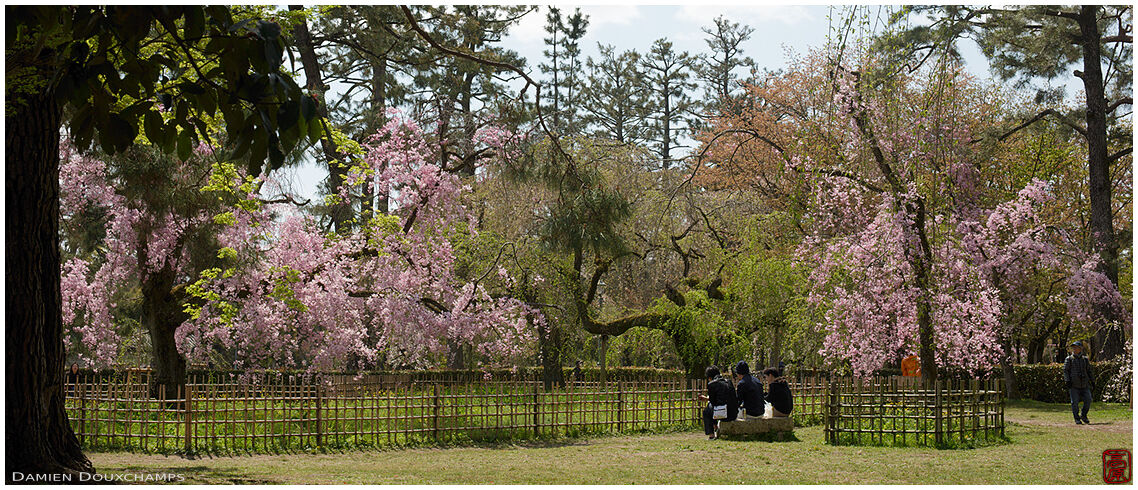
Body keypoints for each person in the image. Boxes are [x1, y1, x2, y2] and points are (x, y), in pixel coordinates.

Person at [697, 365, 737, 439]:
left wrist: (707, 399)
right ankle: (716, 427)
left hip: (722, 414)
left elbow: (713, 401)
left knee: (707, 411)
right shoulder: (729, 382)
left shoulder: (712, 384)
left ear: (709, 377)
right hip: (733, 413)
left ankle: (711, 434)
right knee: (712, 407)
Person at [1063, 340, 1094, 425]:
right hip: (1074, 384)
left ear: (1080, 349)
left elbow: (1089, 371)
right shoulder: (1069, 359)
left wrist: (1092, 380)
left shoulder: (1085, 359)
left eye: (1076, 347)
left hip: (1084, 384)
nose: (1074, 349)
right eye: (1073, 348)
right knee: (1074, 403)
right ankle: (1077, 418)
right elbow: (1065, 371)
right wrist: (1067, 380)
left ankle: (1083, 415)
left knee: (1088, 400)